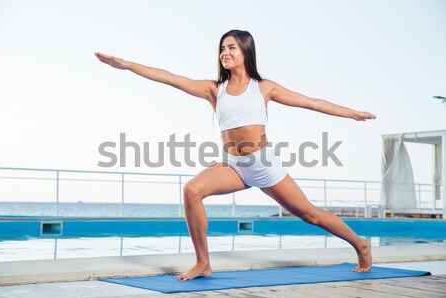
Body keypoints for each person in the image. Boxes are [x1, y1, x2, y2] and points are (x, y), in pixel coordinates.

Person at [95, 29, 376, 281]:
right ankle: (203, 263)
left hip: (264, 165)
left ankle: (360, 244)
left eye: (231, 47)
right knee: (192, 190)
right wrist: (127, 65)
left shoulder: (264, 87)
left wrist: (352, 113)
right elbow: (171, 79)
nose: (225, 53)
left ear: (245, 52)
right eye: (222, 48)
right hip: (233, 165)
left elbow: (312, 103)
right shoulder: (214, 89)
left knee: (310, 215)